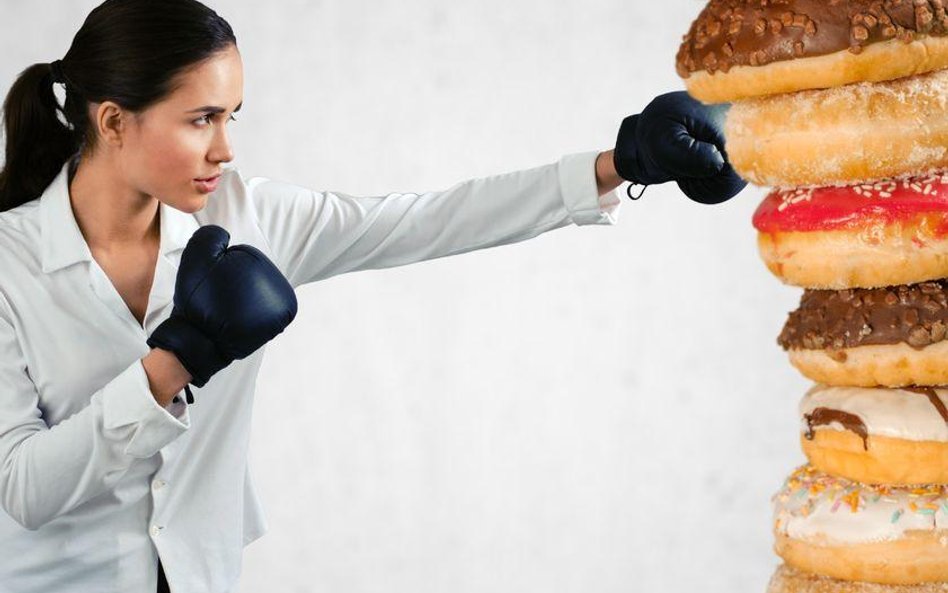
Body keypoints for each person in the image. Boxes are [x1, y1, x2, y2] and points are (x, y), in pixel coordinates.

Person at [0, 1, 746, 592]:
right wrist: (174, 363)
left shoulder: (249, 217)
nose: (226, 149)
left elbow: (428, 221)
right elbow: (25, 487)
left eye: (232, 117)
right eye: (201, 119)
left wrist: (620, 162)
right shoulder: (9, 265)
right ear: (112, 121)